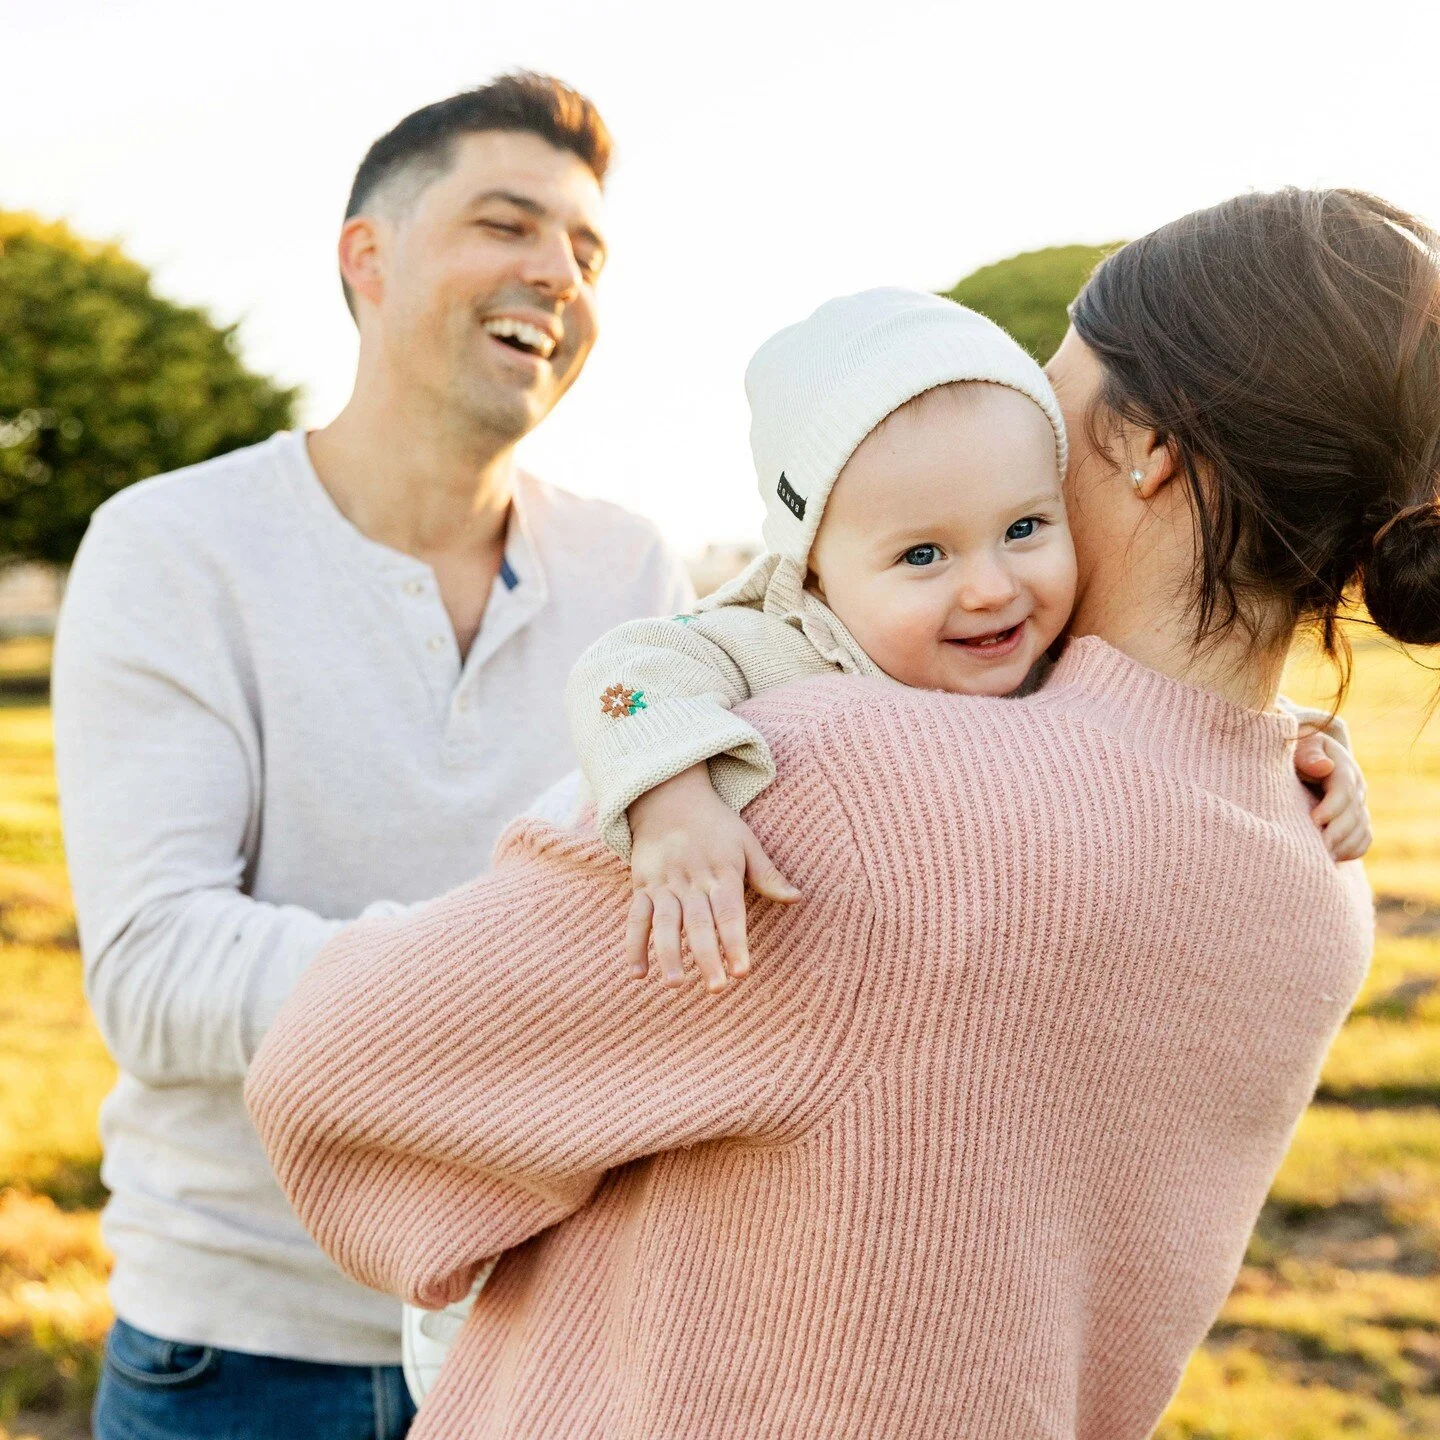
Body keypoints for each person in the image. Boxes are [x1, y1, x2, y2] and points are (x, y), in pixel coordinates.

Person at [247, 188, 1440, 1439]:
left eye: (1048, 397)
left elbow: (337, 1075)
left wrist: (659, 780)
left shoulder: (853, 789)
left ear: (1148, 445)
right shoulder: (1314, 868)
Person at [52, 72, 692, 1440]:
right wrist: (520, 972)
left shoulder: (631, 566)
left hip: (549, 1346)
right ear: (368, 257)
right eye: (508, 223)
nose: (557, 274)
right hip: (243, 1352)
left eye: (587, 252)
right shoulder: (176, 547)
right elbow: (158, 978)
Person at [565, 287, 1369, 991]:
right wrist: (673, 806)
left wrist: (1307, 741)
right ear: (813, 569)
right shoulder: (768, 641)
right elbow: (624, 670)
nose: (990, 588)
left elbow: (1165, 716)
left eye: (1024, 527)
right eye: (923, 555)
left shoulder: (1040, 658)